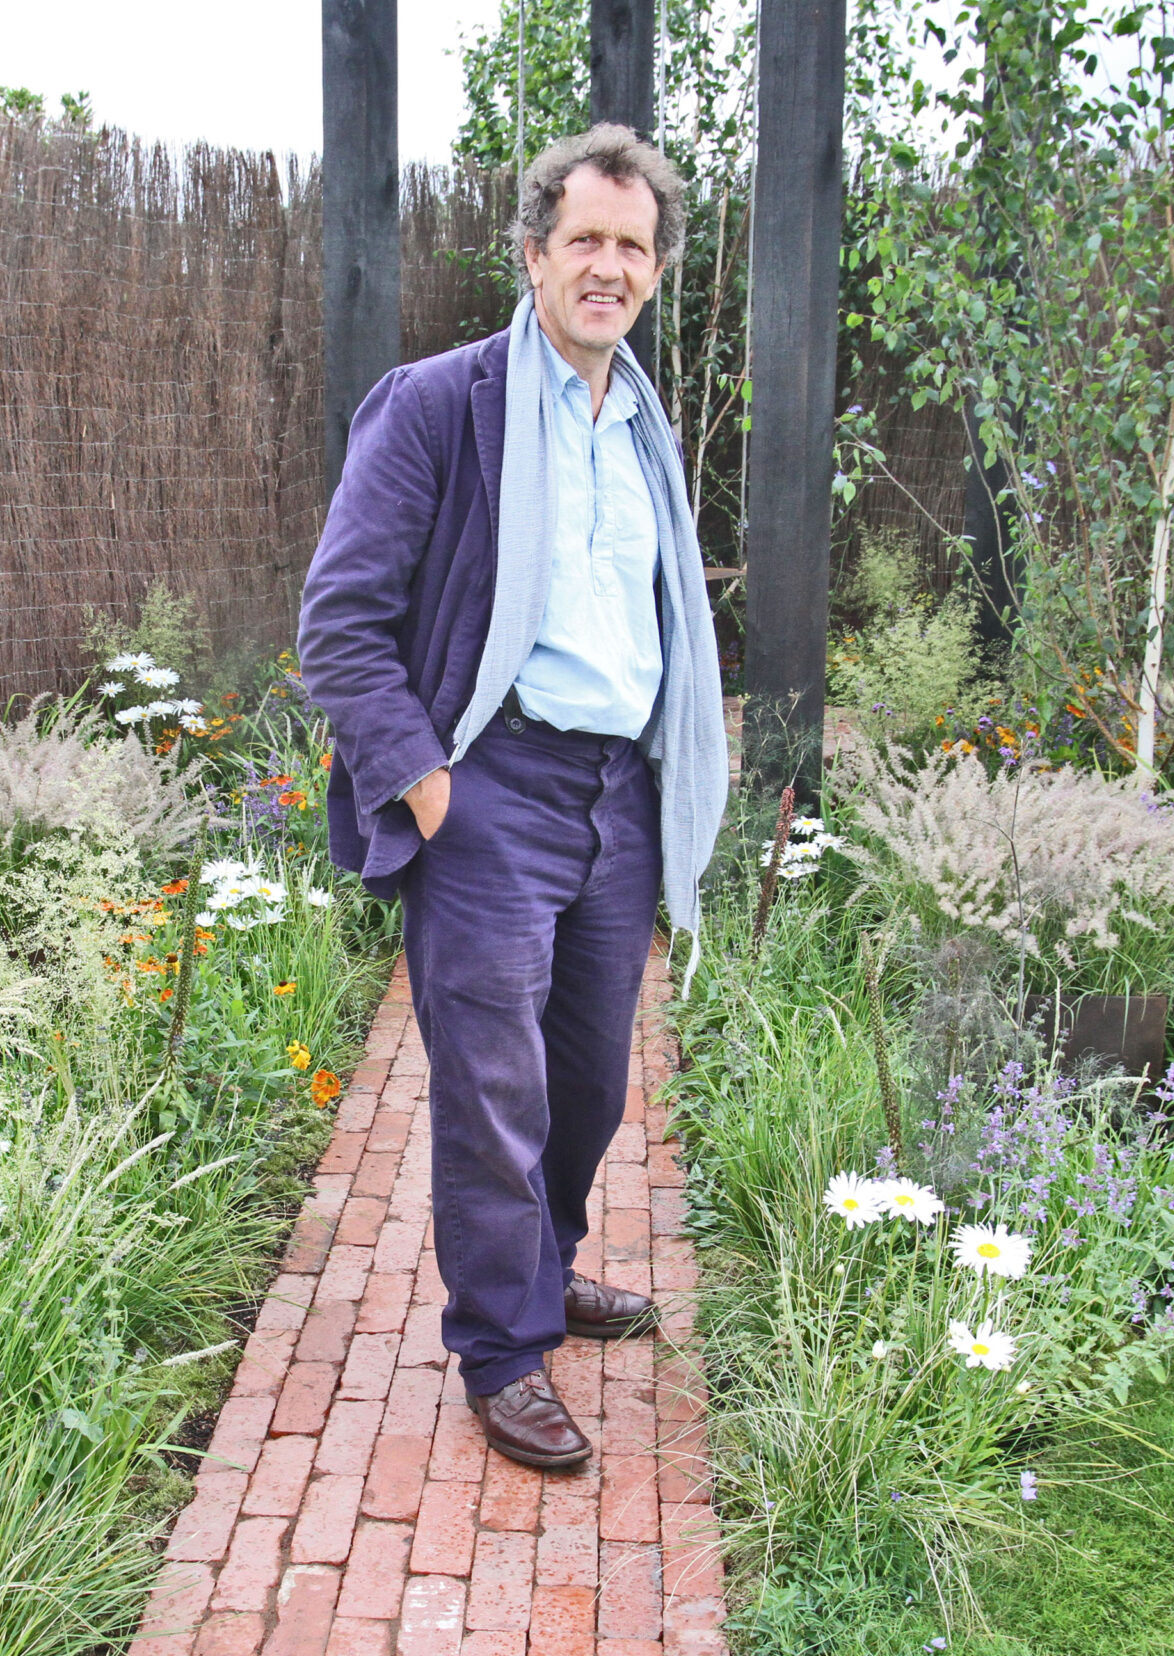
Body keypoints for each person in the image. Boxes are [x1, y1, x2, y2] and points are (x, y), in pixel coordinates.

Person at [296, 124, 727, 1470]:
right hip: (492, 788)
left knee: (589, 1083)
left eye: (632, 247)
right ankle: (501, 1346)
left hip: (616, 793)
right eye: (584, 239)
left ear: (654, 272)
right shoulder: (439, 405)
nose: (609, 266)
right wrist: (432, 792)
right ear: (533, 254)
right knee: (493, 1089)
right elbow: (340, 627)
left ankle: (543, 1261)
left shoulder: (642, 427)